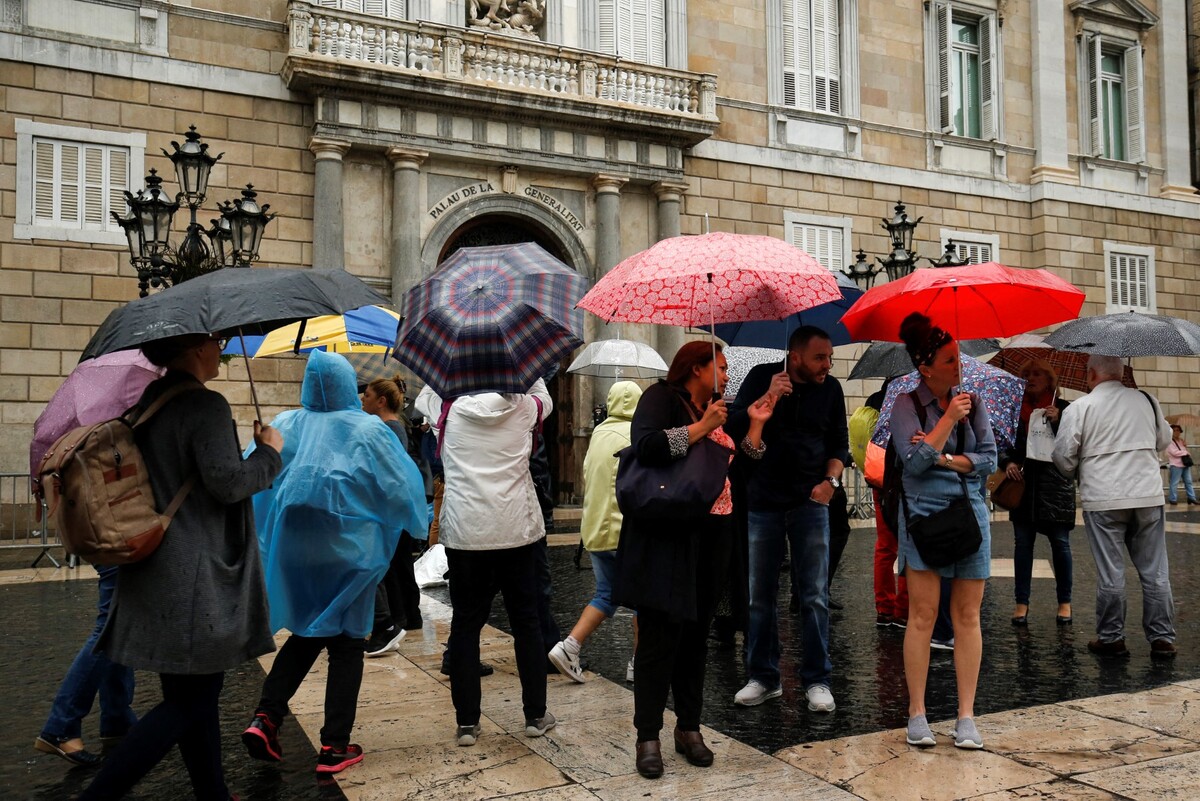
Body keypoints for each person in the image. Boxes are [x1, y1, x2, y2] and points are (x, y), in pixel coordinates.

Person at [79, 333, 283, 801]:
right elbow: (228, 485)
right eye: (217, 343)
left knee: (193, 697)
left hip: (159, 569)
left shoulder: (148, 403)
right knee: (188, 702)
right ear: (197, 349)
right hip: (193, 576)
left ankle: (212, 793)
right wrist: (270, 452)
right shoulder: (204, 406)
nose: (221, 351)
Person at [242, 351, 426, 774]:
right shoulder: (368, 429)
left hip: (297, 551)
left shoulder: (284, 425)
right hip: (350, 553)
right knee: (346, 644)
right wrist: (415, 523)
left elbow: (255, 477)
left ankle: (266, 715)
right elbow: (400, 486)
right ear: (349, 386)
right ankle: (334, 745)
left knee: (308, 629)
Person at [615, 342, 774, 779]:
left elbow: (738, 471)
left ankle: (688, 727)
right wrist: (702, 427)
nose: (725, 374)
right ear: (696, 368)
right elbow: (646, 447)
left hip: (715, 537)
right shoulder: (661, 398)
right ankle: (647, 734)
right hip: (670, 537)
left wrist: (755, 426)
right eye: (719, 366)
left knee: (695, 636)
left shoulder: (718, 409)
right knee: (659, 638)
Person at [415, 377, 556, 748]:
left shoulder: (446, 410)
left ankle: (466, 724)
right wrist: (528, 373)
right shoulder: (525, 406)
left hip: (466, 534)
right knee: (526, 623)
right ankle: (535, 716)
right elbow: (545, 398)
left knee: (465, 626)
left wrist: (448, 375)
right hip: (517, 532)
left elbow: (424, 395)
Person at [726, 326, 848, 713]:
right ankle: (763, 677)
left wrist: (830, 483)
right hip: (763, 500)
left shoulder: (831, 389)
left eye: (828, 356)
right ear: (795, 357)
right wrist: (770, 396)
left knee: (813, 595)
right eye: (819, 357)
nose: (827, 364)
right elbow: (732, 429)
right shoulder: (763, 376)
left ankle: (817, 680)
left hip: (811, 502)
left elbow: (839, 445)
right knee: (759, 595)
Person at [890, 313, 995, 751]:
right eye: (951, 360)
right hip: (923, 520)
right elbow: (910, 464)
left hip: (969, 515)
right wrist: (948, 420)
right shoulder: (904, 405)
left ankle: (966, 716)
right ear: (925, 366)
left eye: (959, 358)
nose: (960, 366)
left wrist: (944, 459)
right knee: (923, 616)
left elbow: (988, 458)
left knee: (968, 616)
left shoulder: (975, 401)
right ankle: (918, 713)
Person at [1052, 354, 1177, 660]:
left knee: (1111, 572)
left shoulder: (1081, 407)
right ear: (1122, 373)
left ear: (1092, 374)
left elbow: (1063, 457)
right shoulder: (1147, 400)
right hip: (1146, 494)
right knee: (1155, 570)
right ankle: (1162, 638)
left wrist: (1077, 470)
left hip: (1104, 497)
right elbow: (1164, 439)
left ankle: (1111, 638)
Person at [549, 380, 643, 683]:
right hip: (621, 530)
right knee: (645, 600)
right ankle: (639, 665)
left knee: (605, 595)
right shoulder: (636, 434)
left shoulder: (599, 432)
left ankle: (569, 646)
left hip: (594, 529)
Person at [999, 359, 1074, 626]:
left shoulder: (1064, 409)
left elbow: (1073, 448)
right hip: (1023, 489)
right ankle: (1022, 603)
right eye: (1027, 374)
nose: (1031, 377)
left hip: (1055, 488)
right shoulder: (1015, 410)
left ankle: (1064, 602)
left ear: (1050, 380)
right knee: (1022, 546)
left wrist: (1058, 422)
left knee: (1060, 545)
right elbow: (1003, 443)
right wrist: (1007, 461)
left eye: (1037, 374)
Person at [361, 375, 427, 657]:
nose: (362, 399)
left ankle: (401, 617)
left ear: (381, 401)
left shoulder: (388, 429)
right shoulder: (394, 426)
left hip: (390, 508)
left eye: (367, 395)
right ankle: (410, 616)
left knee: (393, 563)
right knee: (399, 562)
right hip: (396, 506)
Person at [855, 378, 908, 628]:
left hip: (880, 483)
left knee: (886, 547)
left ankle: (885, 608)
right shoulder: (914, 397)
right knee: (909, 547)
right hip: (907, 482)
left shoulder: (875, 399)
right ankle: (903, 609)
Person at [1165, 425, 1197, 505]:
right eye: (1175, 430)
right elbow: (1174, 452)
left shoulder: (1181, 441)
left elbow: (1183, 451)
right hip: (1176, 465)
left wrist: (1184, 446)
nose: (1177, 432)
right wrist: (1185, 452)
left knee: (1188, 482)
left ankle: (1191, 498)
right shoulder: (1169, 441)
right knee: (1174, 482)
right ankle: (1173, 499)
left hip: (1184, 464)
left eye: (1178, 430)